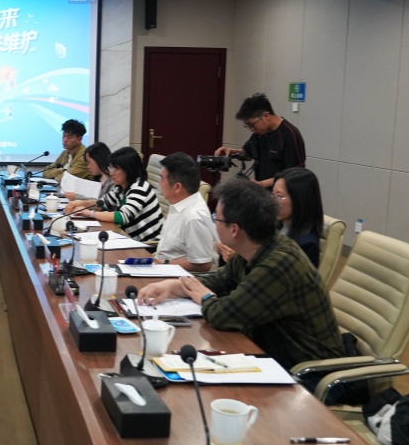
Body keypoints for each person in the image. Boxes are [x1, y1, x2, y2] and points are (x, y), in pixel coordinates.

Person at [139, 178, 343, 370]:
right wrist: (174, 285)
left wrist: (205, 297)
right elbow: (220, 281)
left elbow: (223, 315)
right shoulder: (254, 247)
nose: (214, 223)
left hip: (305, 369)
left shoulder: (278, 264)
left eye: (216, 219)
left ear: (234, 230)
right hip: (268, 350)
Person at [214, 93, 305, 189]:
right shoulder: (260, 133)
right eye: (248, 126)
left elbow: (293, 174)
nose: (251, 129)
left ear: (266, 116)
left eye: (252, 125)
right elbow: (248, 154)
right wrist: (231, 152)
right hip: (262, 192)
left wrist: (261, 184)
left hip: (282, 193)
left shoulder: (290, 134)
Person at [75, 146, 163, 242]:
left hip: (148, 244)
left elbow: (123, 217)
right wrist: (80, 204)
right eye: (110, 167)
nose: (111, 173)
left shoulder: (140, 187)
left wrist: (91, 214)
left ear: (128, 169)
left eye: (115, 169)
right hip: (129, 239)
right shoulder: (120, 187)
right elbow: (102, 203)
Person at [153, 152, 218, 272]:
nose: (159, 183)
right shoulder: (178, 203)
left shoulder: (194, 218)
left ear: (177, 187)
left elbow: (203, 264)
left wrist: (164, 263)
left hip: (178, 276)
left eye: (162, 178)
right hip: (161, 267)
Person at [272, 167, 324, 270]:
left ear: (299, 200)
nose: (273, 202)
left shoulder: (306, 244)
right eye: (272, 195)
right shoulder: (277, 224)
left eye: (279, 196)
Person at [64, 141, 117, 208]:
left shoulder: (114, 180)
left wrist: (76, 197)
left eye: (89, 162)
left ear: (98, 159)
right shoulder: (97, 178)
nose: (88, 167)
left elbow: (102, 203)